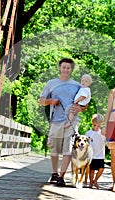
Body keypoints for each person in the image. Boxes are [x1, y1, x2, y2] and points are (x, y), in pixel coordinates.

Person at [39, 58, 87, 187]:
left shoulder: (77, 85)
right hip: (55, 120)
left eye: (68, 68)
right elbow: (41, 100)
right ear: (60, 68)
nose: (66, 70)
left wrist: (80, 108)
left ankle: (61, 176)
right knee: (54, 148)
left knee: (68, 149)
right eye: (63, 67)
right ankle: (54, 173)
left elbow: (85, 103)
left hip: (71, 121)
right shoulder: (51, 83)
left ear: (71, 70)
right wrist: (51, 101)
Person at [85, 114, 105, 189]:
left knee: (101, 169)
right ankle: (90, 183)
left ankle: (95, 180)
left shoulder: (102, 133)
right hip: (92, 155)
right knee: (92, 170)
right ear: (92, 124)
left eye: (99, 126)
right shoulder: (88, 133)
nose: (96, 127)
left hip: (100, 155)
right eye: (95, 125)